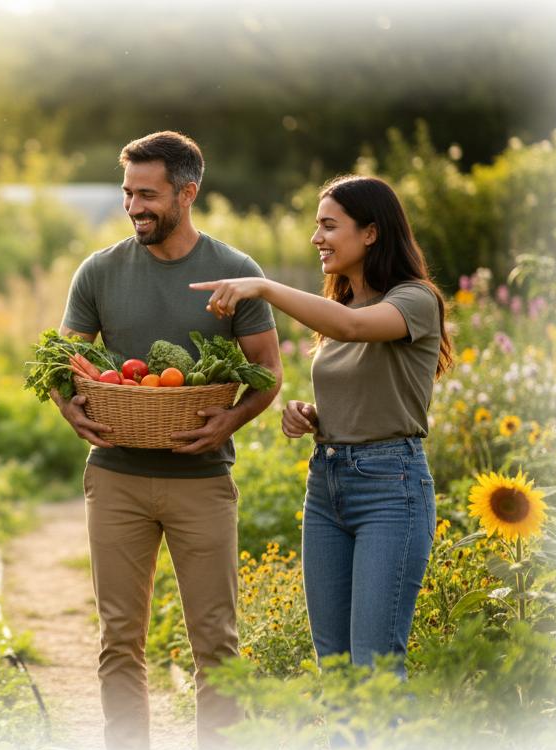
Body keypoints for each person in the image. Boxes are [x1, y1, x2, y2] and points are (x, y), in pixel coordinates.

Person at [52, 131, 283, 750]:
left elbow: (268, 375)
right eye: (128, 194)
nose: (134, 207)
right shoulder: (99, 270)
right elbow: (61, 361)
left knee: (216, 642)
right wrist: (70, 409)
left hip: (202, 479)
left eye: (147, 195)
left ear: (188, 192)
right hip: (116, 476)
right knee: (118, 639)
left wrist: (227, 423)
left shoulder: (237, 273)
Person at [191, 174, 451, 673]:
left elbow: (352, 330)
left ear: (371, 233)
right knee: (334, 666)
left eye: (329, 226)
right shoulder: (344, 306)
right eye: (316, 227)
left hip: (390, 488)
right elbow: (353, 355)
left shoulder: (414, 300)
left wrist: (263, 286)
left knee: (374, 669)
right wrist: (312, 415)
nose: (317, 239)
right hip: (327, 485)